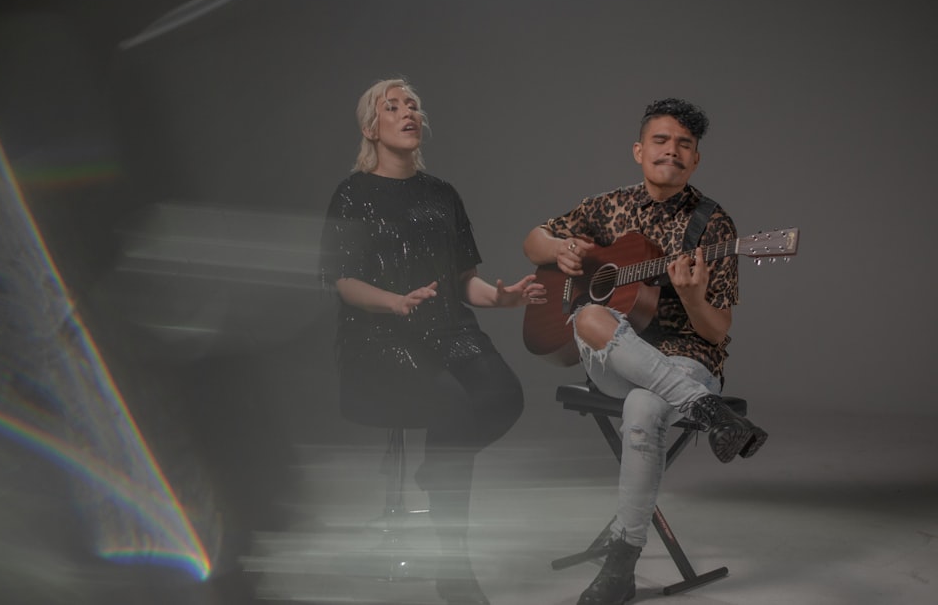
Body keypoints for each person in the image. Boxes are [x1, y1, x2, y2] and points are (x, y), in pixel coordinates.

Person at [522, 98, 768, 605]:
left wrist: (694, 294)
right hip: (611, 356)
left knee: (643, 405)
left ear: (695, 159)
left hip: (687, 360)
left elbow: (717, 332)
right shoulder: (606, 206)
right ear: (639, 150)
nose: (671, 151)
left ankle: (621, 563)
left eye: (685, 145)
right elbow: (534, 239)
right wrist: (559, 250)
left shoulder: (713, 227)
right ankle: (711, 413)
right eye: (661, 140)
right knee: (589, 315)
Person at [319, 78, 545, 605]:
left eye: (413, 105)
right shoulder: (351, 193)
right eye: (392, 106)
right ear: (370, 127)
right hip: (378, 336)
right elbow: (346, 283)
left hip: (448, 329)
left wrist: (503, 298)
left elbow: (465, 281)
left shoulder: (443, 193)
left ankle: (435, 469)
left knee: (504, 396)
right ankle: (454, 564)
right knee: (449, 401)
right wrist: (394, 302)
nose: (407, 112)